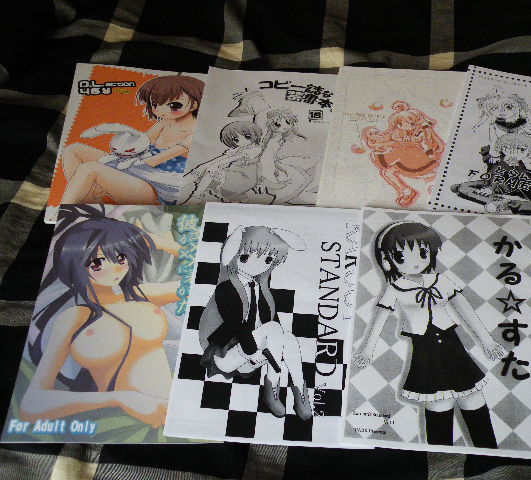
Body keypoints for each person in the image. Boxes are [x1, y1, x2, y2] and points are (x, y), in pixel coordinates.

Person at [20, 205, 184, 428]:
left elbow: (204, 277)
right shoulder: (75, 317)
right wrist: (119, 399)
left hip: (176, 409)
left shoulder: (139, 294)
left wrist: (162, 243)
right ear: (75, 264)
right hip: (127, 424)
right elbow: (32, 404)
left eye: (120, 257)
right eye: (97, 263)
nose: (115, 269)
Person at [353, 221, 505, 447]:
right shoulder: (395, 289)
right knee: (438, 403)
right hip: (425, 352)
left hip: (453, 347)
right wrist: (367, 349)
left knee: (472, 398)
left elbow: (466, 311)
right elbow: (380, 319)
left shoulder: (442, 281)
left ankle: (489, 454)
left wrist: (487, 341)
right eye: (402, 257)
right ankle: (439, 457)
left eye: (422, 253)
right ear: (388, 260)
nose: (415, 262)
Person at [198, 225, 312, 420]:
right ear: (233, 256)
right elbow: (235, 324)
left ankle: (299, 394)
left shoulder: (262, 290)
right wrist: (264, 354)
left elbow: (272, 329)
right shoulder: (226, 288)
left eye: (268, 260)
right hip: (230, 357)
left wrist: (270, 350)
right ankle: (272, 387)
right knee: (274, 329)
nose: (257, 265)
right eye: (245, 257)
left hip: (257, 355)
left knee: (290, 339)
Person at [60, 74, 204, 205]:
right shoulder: (166, 121)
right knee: (73, 149)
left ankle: (66, 209)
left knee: (89, 168)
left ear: (195, 105)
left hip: (154, 185)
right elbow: (143, 141)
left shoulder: (195, 134)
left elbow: (154, 160)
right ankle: (88, 200)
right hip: (134, 168)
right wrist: (122, 138)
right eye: (155, 104)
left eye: (173, 105)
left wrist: (114, 164)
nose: (160, 110)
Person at [361, 101, 445, 207]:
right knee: (386, 172)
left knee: (388, 171)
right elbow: (393, 141)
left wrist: (430, 156)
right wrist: (380, 143)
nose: (401, 126)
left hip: (417, 159)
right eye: (399, 124)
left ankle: (407, 191)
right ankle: (406, 191)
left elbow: (427, 145)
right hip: (406, 156)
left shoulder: (421, 133)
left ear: (413, 122)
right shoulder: (402, 133)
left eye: (403, 124)